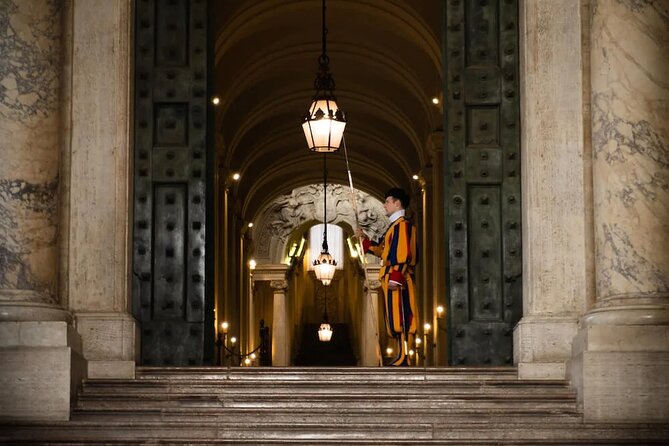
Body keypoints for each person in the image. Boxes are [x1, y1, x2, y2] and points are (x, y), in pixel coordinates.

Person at [356, 187, 418, 366]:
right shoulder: (394, 227)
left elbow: (404, 253)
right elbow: (384, 250)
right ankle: (401, 354)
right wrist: (365, 240)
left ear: (397, 203)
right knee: (393, 318)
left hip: (398, 278)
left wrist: (396, 276)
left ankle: (406, 356)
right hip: (391, 276)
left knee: (403, 316)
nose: (385, 205)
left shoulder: (403, 225)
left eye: (388, 201)